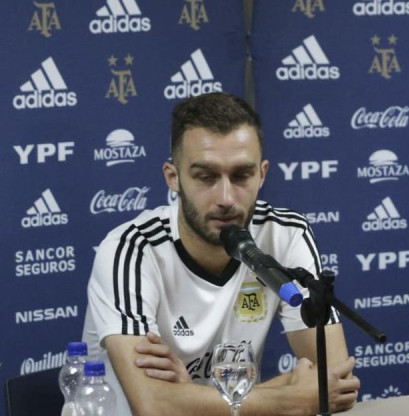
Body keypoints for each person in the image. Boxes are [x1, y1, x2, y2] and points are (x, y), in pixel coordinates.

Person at [82, 92, 360, 416]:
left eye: (241, 175)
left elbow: (335, 380)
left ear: (262, 174)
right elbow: (154, 406)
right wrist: (291, 397)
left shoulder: (285, 234)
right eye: (206, 177)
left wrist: (189, 397)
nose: (226, 197)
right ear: (173, 177)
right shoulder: (130, 249)